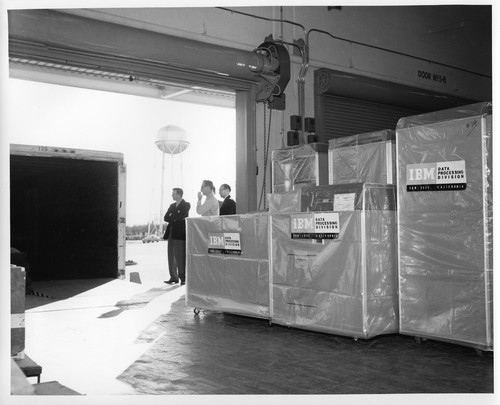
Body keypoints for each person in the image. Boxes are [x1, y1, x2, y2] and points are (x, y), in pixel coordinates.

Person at [163, 188, 190, 285]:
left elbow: (181, 216)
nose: (172, 196)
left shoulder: (186, 205)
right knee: (171, 255)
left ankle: (183, 278)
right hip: (171, 232)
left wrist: (173, 216)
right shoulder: (172, 205)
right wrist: (174, 217)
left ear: (179, 194)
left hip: (179, 234)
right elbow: (166, 217)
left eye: (173, 194)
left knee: (180, 255)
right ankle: (173, 277)